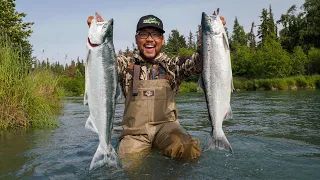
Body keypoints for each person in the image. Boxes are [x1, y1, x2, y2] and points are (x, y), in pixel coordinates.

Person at [87, 13, 226, 159]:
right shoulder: (125, 64)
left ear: (162, 40)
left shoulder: (173, 66)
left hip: (167, 128)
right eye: (143, 34)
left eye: (155, 34)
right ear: (136, 39)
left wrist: (210, 35)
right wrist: (99, 35)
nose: (149, 39)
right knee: (129, 163)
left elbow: (200, 62)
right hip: (135, 133)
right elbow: (102, 66)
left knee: (188, 149)